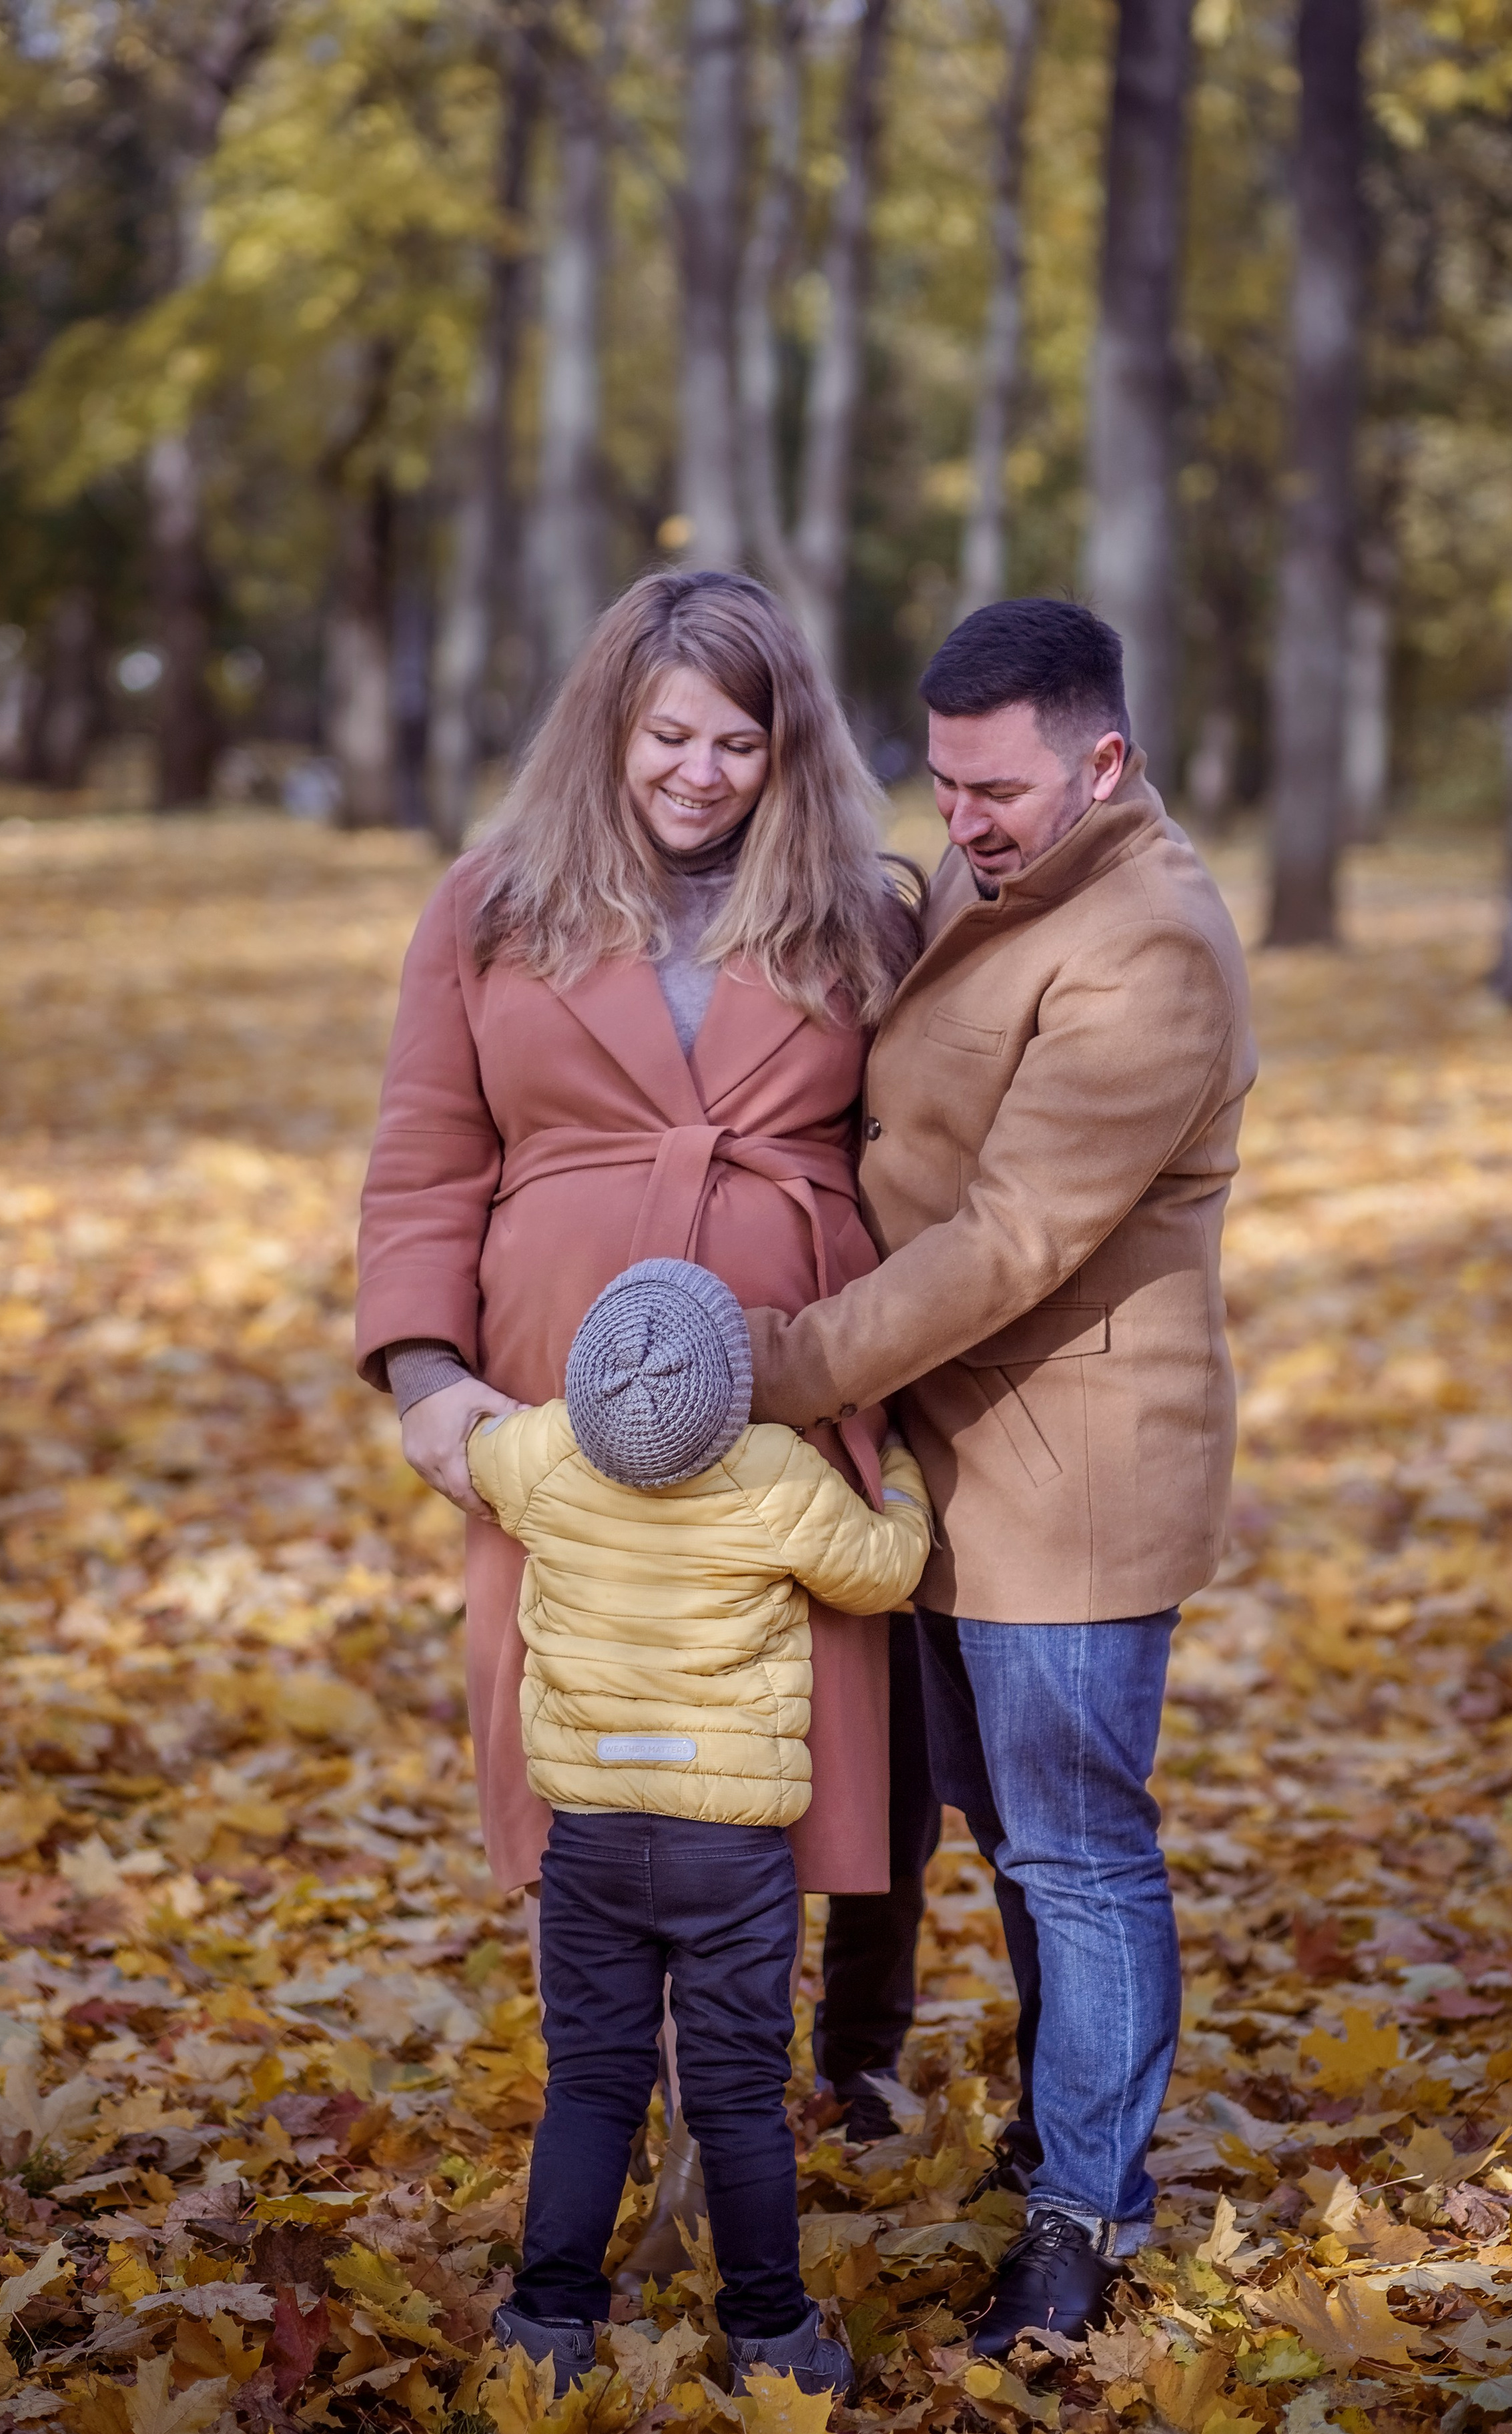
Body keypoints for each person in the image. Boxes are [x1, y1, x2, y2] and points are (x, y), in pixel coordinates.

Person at [355, 569, 927, 2238]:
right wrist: (423, 1377)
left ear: (786, 747)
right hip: (547, 1399)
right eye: (667, 733)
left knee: (783, 1731)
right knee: (579, 1723)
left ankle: (762, 2086)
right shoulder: (493, 905)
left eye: (736, 742)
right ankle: (605, 2072)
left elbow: (930, 1154)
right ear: (608, 723)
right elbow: (423, 1158)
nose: (696, 771)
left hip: (787, 1385)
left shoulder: (855, 913)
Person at [743, 597, 1257, 2352]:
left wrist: (781, 1364)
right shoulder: (1004, 868)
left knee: (1078, 1855)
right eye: (944, 781)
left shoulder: (1153, 947)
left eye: (1000, 789)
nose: (962, 818)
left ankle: (1086, 2220)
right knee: (1010, 1835)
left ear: (1105, 761)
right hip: (951, 1455)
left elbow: (1011, 1237)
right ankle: (1061, 2138)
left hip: (1076, 1473)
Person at [469, 1258, 929, 2391]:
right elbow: (884, 1573)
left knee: (589, 2082)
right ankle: (772, 2334)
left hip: (591, 1839)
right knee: (734, 2093)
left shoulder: (543, 1455)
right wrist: (902, 1474)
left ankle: (550, 2327)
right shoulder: (772, 1471)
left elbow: (470, 1454)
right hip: (730, 1850)